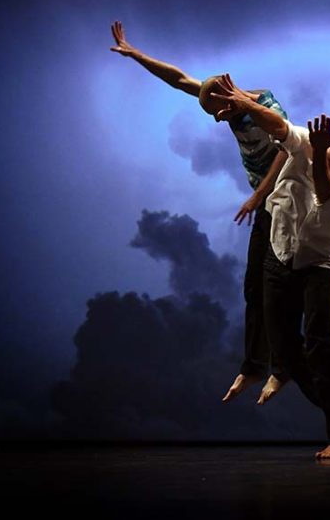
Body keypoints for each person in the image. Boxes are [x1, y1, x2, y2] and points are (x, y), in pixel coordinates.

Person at [109, 21, 289, 405]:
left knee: (276, 289)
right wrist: (136, 54)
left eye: (218, 113)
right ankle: (254, 365)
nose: (215, 119)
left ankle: (282, 367)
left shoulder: (265, 109)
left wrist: (257, 196)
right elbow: (178, 80)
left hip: (287, 204)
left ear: (231, 100)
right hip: (267, 205)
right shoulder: (220, 96)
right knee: (253, 287)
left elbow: (288, 152)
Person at [211, 75, 330, 459]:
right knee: (283, 346)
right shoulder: (305, 141)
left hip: (319, 263)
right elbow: (276, 124)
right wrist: (242, 102)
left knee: (321, 342)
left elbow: (325, 195)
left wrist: (322, 160)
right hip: (279, 253)